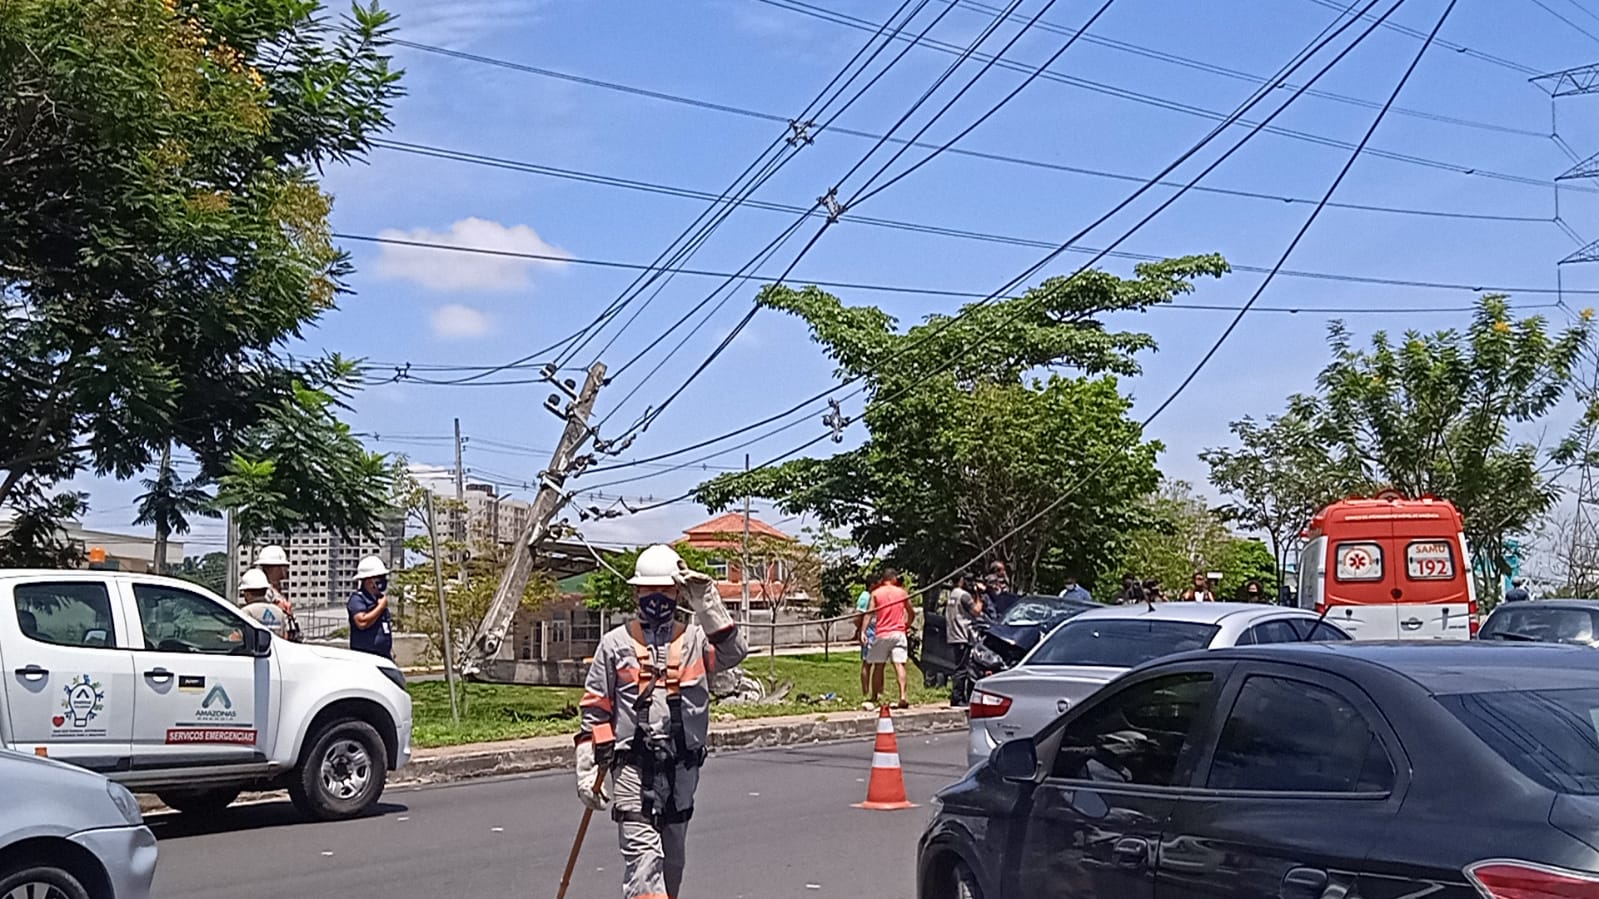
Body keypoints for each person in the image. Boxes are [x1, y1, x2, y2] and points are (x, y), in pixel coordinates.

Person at [573, 544, 748, 899]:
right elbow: (594, 708)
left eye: (665, 590)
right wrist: (588, 769)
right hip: (632, 768)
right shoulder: (615, 644)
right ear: (636, 591)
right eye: (649, 590)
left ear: (678, 592)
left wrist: (708, 603)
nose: (657, 597)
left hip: (682, 768)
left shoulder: (696, 638)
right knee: (644, 861)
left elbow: (733, 654)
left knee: (672, 862)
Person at [865, 566, 916, 709]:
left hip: (882, 633)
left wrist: (863, 631)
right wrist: (906, 625)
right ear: (893, 578)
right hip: (898, 633)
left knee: (878, 666)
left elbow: (869, 613)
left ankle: (874, 696)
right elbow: (911, 613)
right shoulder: (902, 592)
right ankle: (903, 696)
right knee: (899, 664)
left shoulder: (876, 593)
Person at [944, 573, 983, 708]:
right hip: (963, 635)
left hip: (954, 635)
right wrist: (978, 594)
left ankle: (959, 696)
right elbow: (977, 611)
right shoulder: (964, 596)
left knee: (959, 666)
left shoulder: (952, 595)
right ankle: (957, 698)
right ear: (961, 580)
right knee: (962, 668)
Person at [347, 555, 393, 660]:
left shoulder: (379, 599)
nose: (383, 580)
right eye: (379, 577)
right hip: (366, 657)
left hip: (383, 656)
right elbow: (362, 622)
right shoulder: (357, 599)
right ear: (369, 581)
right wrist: (380, 607)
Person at [254, 545, 303, 642]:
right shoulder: (266, 592)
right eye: (283, 566)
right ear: (274, 568)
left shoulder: (277, 591)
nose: (286, 569)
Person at [239, 567, 291, 636]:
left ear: (248, 594)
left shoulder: (246, 612)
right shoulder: (278, 612)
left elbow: (238, 636)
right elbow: (285, 636)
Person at [852, 574, 878, 698]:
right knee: (867, 663)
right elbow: (858, 616)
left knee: (879, 663)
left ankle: (877, 692)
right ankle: (865, 692)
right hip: (869, 632)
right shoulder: (865, 596)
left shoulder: (877, 596)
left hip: (879, 631)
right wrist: (861, 630)